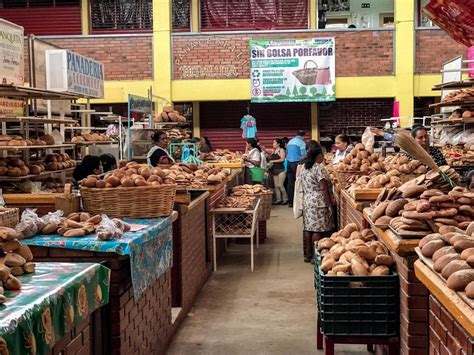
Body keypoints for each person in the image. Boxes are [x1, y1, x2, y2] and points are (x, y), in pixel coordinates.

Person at [299, 141, 334, 263]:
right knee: (317, 230)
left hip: (307, 200)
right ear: (318, 155)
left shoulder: (304, 167)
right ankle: (315, 256)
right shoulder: (319, 168)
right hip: (318, 202)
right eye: (322, 155)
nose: (323, 157)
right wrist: (329, 205)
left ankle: (307, 255)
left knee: (308, 229)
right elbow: (323, 188)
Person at [370, 125, 447, 166]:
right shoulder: (409, 154)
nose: (424, 140)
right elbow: (396, 138)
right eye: (420, 137)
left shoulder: (435, 152)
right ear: (413, 139)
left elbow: (446, 168)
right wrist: (380, 133)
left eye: (426, 136)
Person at [286, 130, 307, 208]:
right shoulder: (301, 142)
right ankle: (298, 202)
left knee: (290, 183)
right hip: (297, 164)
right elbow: (304, 155)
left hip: (289, 163)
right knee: (299, 182)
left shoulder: (290, 141)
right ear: (303, 136)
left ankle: (290, 202)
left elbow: (287, 152)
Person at [269, 139, 288, 205]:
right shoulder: (273, 151)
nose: (273, 144)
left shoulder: (281, 150)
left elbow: (282, 159)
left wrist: (272, 161)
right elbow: (265, 151)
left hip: (281, 170)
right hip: (274, 170)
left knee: (280, 185)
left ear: (278, 144)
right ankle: (278, 199)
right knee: (276, 186)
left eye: (274, 142)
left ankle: (285, 199)